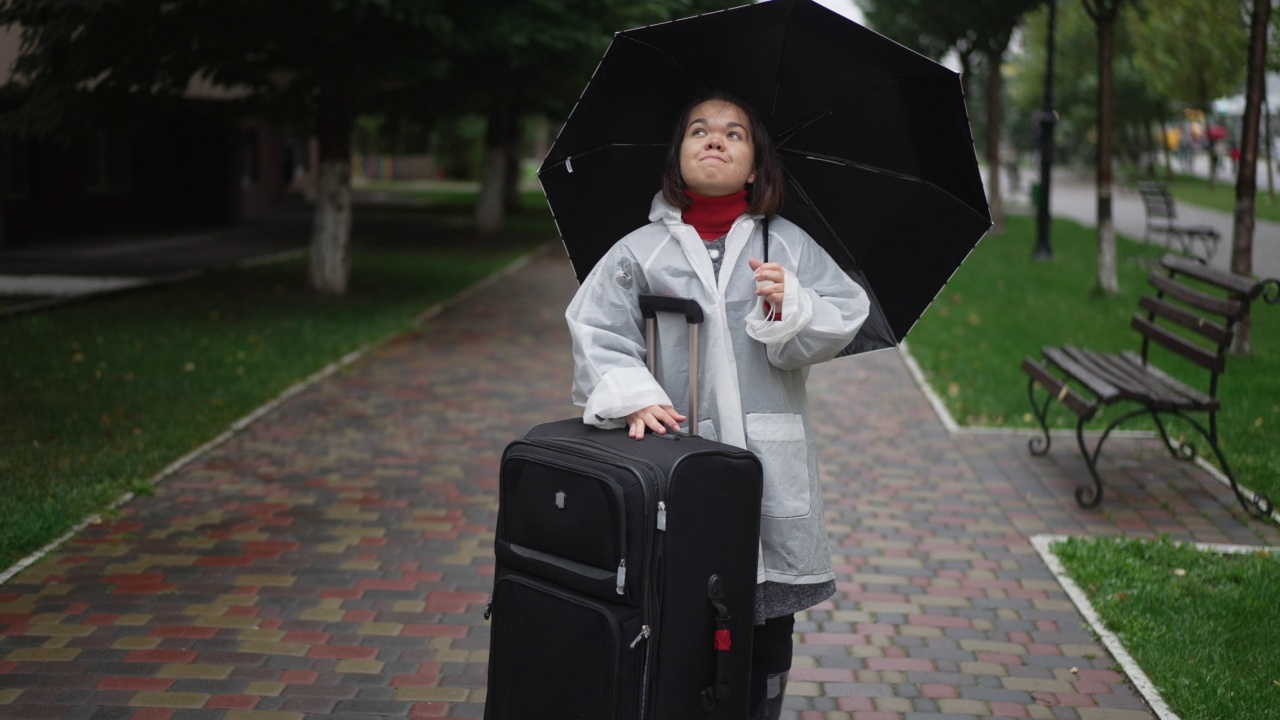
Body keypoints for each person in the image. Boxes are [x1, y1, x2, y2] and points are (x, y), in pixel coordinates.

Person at [564, 90, 871, 720]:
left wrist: (794, 304)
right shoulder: (637, 253)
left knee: (763, 619)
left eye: (734, 134)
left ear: (756, 165)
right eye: (699, 131)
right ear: (676, 157)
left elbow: (841, 318)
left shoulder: (785, 246)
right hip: (670, 465)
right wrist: (635, 394)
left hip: (764, 462)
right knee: (675, 612)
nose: (715, 140)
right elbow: (596, 331)